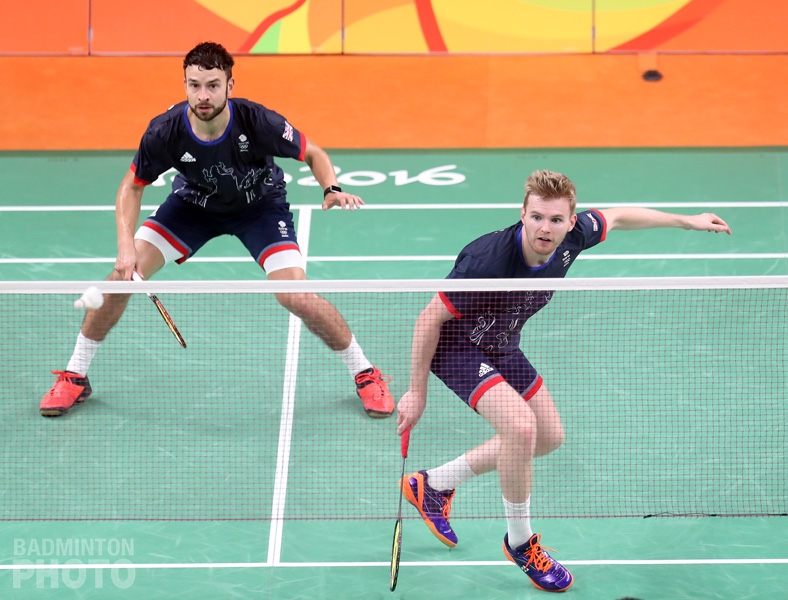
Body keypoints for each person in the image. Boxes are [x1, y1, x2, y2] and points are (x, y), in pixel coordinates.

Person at [395, 169, 732, 593]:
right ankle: (520, 543)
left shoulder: (574, 238)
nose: (545, 228)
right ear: (523, 214)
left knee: (548, 435)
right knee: (521, 427)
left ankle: (433, 485)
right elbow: (429, 319)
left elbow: (619, 217)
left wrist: (688, 221)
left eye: (555, 220)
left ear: (571, 222)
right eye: (536, 217)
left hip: (502, 342)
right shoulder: (488, 260)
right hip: (457, 347)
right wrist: (417, 391)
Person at [39, 41, 394, 419]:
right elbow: (132, 186)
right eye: (194, 85)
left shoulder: (258, 122)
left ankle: (365, 373)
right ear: (185, 85)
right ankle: (75, 375)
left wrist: (331, 188)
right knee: (120, 280)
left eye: (212, 85)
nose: (203, 95)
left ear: (230, 85)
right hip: (194, 206)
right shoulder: (165, 131)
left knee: (298, 297)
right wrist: (126, 246)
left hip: (259, 207)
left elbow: (312, 153)